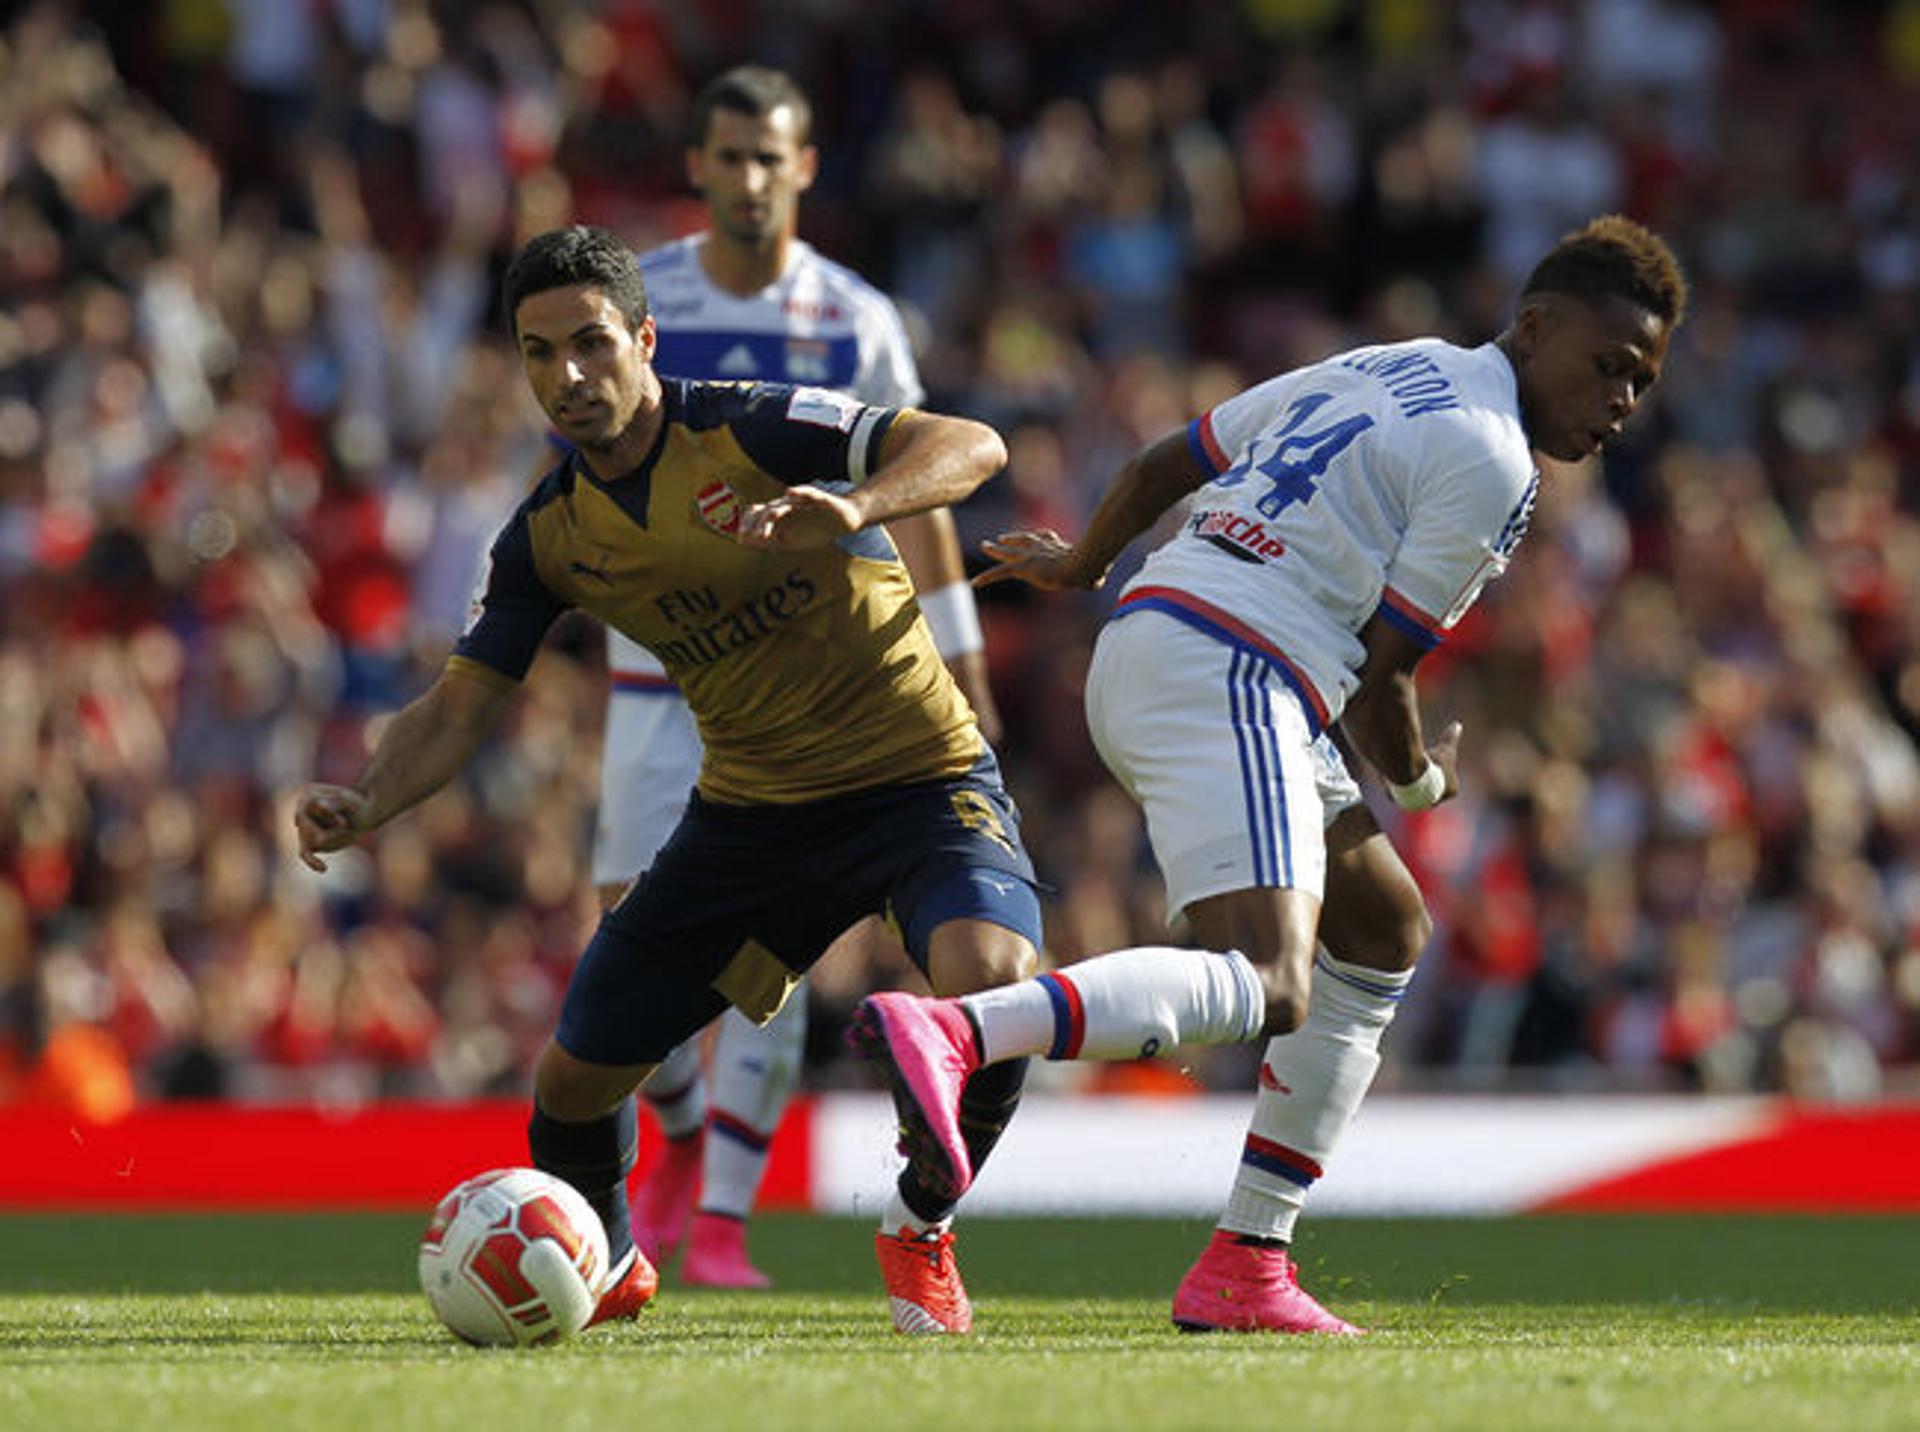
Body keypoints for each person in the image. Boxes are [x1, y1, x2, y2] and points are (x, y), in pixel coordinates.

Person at [846, 215, 1687, 1334]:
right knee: (1269, 978)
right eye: (1607, 364)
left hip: (1176, 635)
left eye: (1642, 380)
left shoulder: (1394, 363)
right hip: (1235, 663)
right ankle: (967, 1032)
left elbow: (1164, 463)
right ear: (1534, 328)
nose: (1622, 398)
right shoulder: (1496, 461)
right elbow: (1386, 687)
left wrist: (1082, 565)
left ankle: (1248, 1257)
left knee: (1383, 926)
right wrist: (1429, 785)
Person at [293, 225, 1041, 1336]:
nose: (569, 377)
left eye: (591, 344)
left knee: (994, 986)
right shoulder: (547, 534)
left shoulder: (750, 425)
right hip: (752, 821)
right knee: (571, 1088)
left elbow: (972, 444)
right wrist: (368, 799)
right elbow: (459, 706)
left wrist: (858, 504)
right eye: (540, 354)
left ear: (643, 337)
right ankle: (614, 1262)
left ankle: (921, 1225)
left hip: (918, 781)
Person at [603, 65, 1000, 1292]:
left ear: (804, 167)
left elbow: (920, 490)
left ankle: (721, 1221)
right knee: (629, 936)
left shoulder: (853, 317)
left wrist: (962, 659)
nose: (749, 179)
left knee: (768, 949)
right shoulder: (643, 295)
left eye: (771, 158)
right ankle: (674, 1136)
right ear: (701, 165)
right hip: (659, 670)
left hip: (811, 679)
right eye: (729, 156)